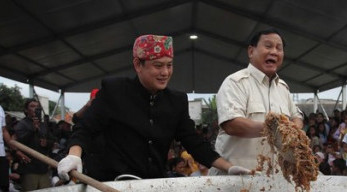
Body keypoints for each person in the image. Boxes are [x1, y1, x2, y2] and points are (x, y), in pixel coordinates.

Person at [58, 34, 249, 182]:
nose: (165, 73)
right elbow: (85, 128)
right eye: (157, 66)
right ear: (137, 65)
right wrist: (74, 156)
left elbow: (194, 143)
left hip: (150, 185)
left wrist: (228, 167)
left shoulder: (176, 101)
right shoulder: (114, 91)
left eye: (169, 65)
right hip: (109, 184)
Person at [209, 28, 303, 175]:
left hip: (273, 180)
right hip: (236, 177)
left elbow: (297, 116)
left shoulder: (283, 88)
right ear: (251, 51)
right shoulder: (236, 82)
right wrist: (275, 130)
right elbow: (232, 125)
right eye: (268, 46)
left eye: (279, 48)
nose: (274, 52)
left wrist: (294, 131)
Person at [14, 99, 54, 191]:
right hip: (29, 167)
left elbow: (53, 141)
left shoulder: (43, 125)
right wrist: (33, 129)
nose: (36, 108)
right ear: (26, 110)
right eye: (32, 106)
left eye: (37, 106)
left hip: (43, 168)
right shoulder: (22, 124)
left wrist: (47, 143)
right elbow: (20, 141)